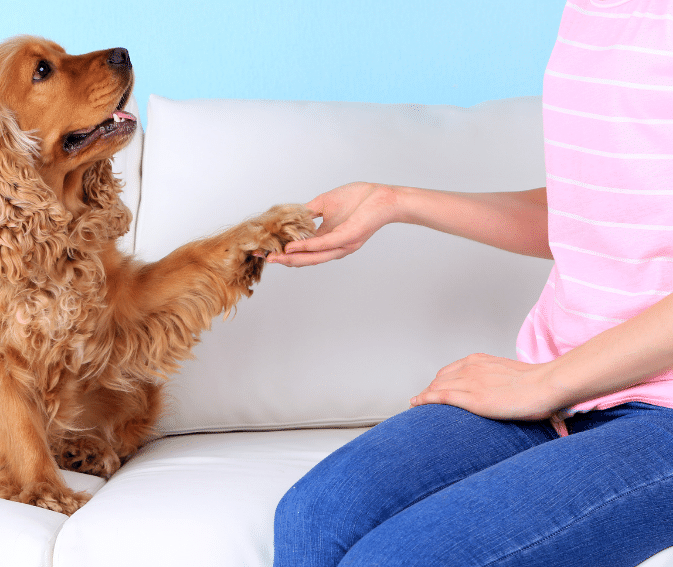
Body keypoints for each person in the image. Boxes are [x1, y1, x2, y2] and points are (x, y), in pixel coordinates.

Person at [270, 1, 673, 566]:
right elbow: (599, 214)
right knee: (315, 517)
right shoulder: (593, 11)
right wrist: (396, 201)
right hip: (573, 383)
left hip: (632, 405)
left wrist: (546, 384)